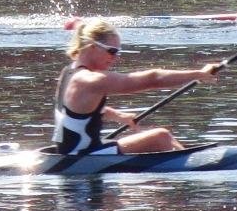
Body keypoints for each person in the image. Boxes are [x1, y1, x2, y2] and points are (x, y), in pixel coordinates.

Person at [53, 18, 220, 155]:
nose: (115, 58)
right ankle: (193, 171)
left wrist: (118, 115)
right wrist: (199, 74)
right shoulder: (90, 80)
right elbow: (151, 79)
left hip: (70, 152)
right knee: (161, 137)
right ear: (92, 46)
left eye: (118, 52)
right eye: (112, 51)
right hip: (83, 156)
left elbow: (74, 113)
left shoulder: (68, 72)